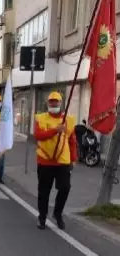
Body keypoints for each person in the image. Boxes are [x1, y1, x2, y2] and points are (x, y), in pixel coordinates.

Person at [34, 91, 77, 230]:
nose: (53, 104)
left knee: (65, 188)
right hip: (45, 161)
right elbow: (38, 135)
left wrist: (73, 159)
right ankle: (42, 217)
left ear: (60, 103)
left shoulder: (68, 120)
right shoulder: (40, 118)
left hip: (62, 161)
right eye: (51, 101)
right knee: (43, 191)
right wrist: (55, 130)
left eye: (56, 101)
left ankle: (58, 214)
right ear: (48, 103)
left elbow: (72, 141)